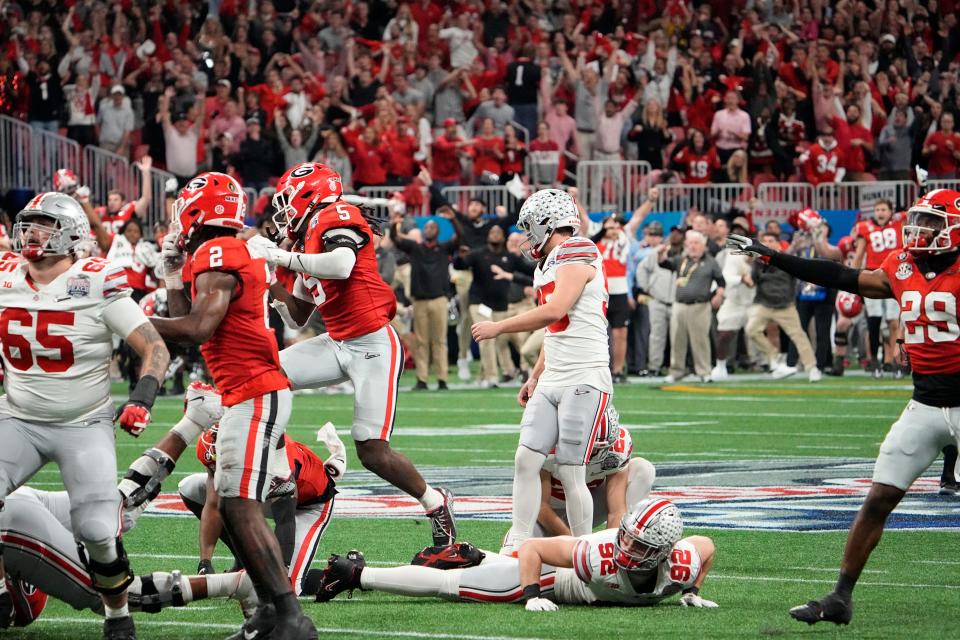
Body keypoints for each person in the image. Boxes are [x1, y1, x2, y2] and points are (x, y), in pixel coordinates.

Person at [727, 188, 960, 627]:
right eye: (920, 220)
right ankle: (840, 596)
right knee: (878, 499)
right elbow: (840, 275)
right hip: (925, 404)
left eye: (931, 222)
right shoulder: (902, 266)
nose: (920, 229)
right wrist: (775, 256)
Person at [250, 162, 458, 549]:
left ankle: (435, 502)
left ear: (309, 193)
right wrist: (268, 281)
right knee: (264, 374)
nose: (284, 211)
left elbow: (342, 265)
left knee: (372, 450)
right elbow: (297, 316)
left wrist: (281, 259)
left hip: (373, 344)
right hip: (338, 341)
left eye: (288, 201)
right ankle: (281, 469)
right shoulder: (304, 241)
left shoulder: (335, 214)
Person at [148, 172, 316, 640]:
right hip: (246, 390)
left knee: (240, 507)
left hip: (254, 391)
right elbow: (190, 319)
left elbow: (196, 328)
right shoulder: (219, 252)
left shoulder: (217, 251)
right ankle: (268, 608)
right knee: (232, 504)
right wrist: (169, 277)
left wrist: (130, 320)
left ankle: (289, 617)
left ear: (197, 210)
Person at [0, 192, 170, 640]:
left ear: (72, 233)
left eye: (44, 225)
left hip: (83, 422)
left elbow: (154, 347)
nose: (31, 233)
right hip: (17, 417)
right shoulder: (4, 275)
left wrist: (142, 398)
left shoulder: (96, 280)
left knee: (97, 529)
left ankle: (117, 615)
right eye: (28, 224)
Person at [470, 189, 611, 553]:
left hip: (584, 375)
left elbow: (556, 310)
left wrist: (499, 327)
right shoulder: (545, 263)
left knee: (570, 468)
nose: (527, 236)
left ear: (548, 223)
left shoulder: (579, 250)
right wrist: (534, 375)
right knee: (525, 458)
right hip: (554, 375)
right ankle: (519, 538)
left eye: (530, 227)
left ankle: (583, 549)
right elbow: (555, 330)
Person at [309, 499, 718, 611]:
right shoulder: (596, 552)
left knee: (476, 572)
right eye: (626, 537)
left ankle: (472, 554)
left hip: (553, 575)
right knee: (450, 587)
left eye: (640, 546)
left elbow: (707, 546)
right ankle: (355, 574)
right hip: (552, 579)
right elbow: (536, 550)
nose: (626, 548)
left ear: (664, 553)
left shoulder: (681, 565)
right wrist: (531, 594)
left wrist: (692, 591)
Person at [0, 487, 258, 628]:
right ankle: (188, 425)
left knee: (110, 594)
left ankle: (238, 585)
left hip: (9, 521)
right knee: (117, 509)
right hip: (18, 495)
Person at [179, 420, 346, 596]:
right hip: (261, 493)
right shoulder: (211, 448)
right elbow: (213, 505)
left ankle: (347, 574)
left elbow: (285, 519)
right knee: (190, 488)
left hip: (307, 505)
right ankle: (244, 561)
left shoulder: (275, 461)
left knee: (283, 587)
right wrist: (205, 563)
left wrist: (279, 570)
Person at [535, 406, 656, 537]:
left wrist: (610, 544)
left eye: (598, 448)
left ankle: (625, 538)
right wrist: (574, 543)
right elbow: (541, 507)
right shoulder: (549, 445)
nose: (592, 453)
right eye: (587, 446)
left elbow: (616, 510)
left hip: (592, 505)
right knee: (519, 547)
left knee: (643, 469)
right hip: (551, 511)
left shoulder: (617, 448)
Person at [391, 208, 461, 391]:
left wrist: (454, 221)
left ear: (437, 231)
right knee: (422, 341)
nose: (428, 229)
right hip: (420, 300)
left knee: (439, 341)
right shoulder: (416, 248)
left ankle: (442, 378)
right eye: (427, 227)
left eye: (432, 227)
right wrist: (394, 224)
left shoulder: (444, 248)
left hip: (439, 299)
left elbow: (461, 238)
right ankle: (422, 378)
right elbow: (396, 240)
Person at [454, 225, 529, 387]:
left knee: (500, 342)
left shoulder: (509, 257)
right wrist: (459, 257)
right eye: (492, 232)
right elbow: (459, 265)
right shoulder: (478, 254)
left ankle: (483, 376)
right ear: (488, 236)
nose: (495, 234)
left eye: (498, 232)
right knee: (486, 340)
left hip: (501, 306)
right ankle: (492, 377)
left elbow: (529, 270)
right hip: (479, 304)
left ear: (503, 237)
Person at [744, 231, 822, 382]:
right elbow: (752, 282)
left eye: (771, 240)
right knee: (751, 330)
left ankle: (812, 368)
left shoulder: (787, 260)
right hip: (763, 303)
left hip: (785, 305)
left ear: (778, 244)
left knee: (799, 336)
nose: (767, 243)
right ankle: (774, 357)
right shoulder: (758, 262)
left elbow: (800, 272)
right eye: (764, 240)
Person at [657, 230, 725, 383]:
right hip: (680, 305)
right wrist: (660, 254)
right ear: (686, 245)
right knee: (676, 339)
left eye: (696, 243)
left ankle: (704, 371)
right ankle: (676, 372)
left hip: (700, 306)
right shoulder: (681, 259)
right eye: (690, 243)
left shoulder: (710, 262)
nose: (693, 246)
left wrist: (719, 295)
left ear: (703, 245)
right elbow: (664, 263)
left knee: (700, 340)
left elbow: (721, 281)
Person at [851, 200, 903, 376]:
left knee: (893, 321)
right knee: (874, 322)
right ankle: (874, 359)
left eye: (883, 209)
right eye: (877, 209)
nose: (880, 212)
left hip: (893, 276)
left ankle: (894, 360)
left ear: (891, 211)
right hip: (872, 276)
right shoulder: (864, 227)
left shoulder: (899, 222)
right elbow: (859, 255)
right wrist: (851, 279)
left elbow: (915, 207)